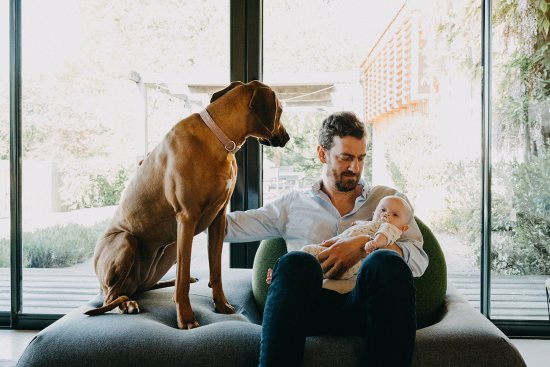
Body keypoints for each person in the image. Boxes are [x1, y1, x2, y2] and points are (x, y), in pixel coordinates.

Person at [225, 111, 429, 367]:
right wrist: (178, 210)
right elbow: (228, 227)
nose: (355, 168)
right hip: (309, 308)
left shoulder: (388, 201)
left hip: (367, 306)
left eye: (361, 158)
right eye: (345, 158)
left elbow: (419, 260)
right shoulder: (293, 204)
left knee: (386, 261)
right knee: (294, 263)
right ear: (322, 154)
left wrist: (363, 247)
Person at [300, 194, 413, 280]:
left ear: (403, 228)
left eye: (395, 214)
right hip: (333, 248)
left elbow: (384, 235)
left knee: (333, 268)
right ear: (373, 214)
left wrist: (374, 242)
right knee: (304, 253)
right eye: (383, 210)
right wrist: (357, 223)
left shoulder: (389, 228)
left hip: (353, 261)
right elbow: (359, 226)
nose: (386, 214)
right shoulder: (370, 224)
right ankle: (308, 267)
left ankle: (316, 273)